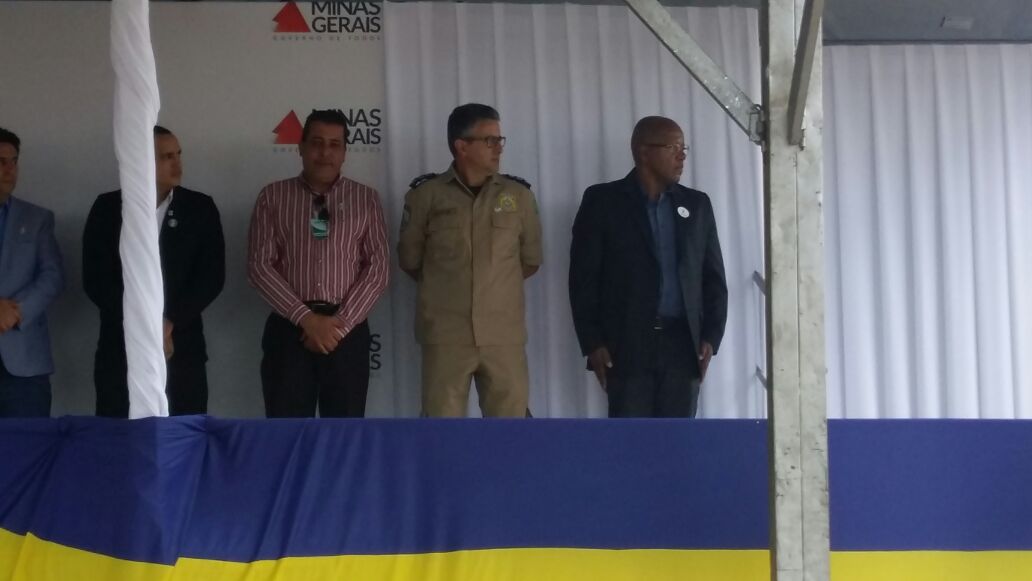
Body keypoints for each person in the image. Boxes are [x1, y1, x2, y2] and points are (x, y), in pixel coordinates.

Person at [569, 116, 727, 418]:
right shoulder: (603, 202)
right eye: (673, 148)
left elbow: (713, 277)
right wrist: (592, 342)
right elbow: (583, 279)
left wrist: (711, 337)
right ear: (643, 152)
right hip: (626, 345)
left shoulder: (697, 205)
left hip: (683, 345)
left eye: (684, 149)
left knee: (678, 438)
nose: (682, 157)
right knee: (630, 438)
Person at [398, 103, 542, 417]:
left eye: (500, 140)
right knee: (442, 429)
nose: (498, 148)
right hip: (446, 335)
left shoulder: (519, 196)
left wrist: (490, 287)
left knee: (510, 430)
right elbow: (410, 260)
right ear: (461, 146)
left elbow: (530, 260)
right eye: (490, 140)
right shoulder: (425, 196)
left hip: (502, 335)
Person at [248, 109, 389, 418]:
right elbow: (259, 266)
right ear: (300, 147)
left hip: (347, 333)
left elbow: (377, 269)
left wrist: (339, 326)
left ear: (345, 152)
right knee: (287, 432)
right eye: (317, 143)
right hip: (289, 330)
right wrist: (307, 319)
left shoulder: (366, 199)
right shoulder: (272, 197)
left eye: (335, 144)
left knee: (344, 433)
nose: (325, 153)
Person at [83, 126, 225, 417]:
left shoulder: (200, 208)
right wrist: (143, 324)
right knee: (118, 434)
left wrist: (168, 322)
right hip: (120, 347)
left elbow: (210, 278)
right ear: (140, 160)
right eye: (166, 157)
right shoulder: (107, 208)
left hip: (180, 347)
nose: (177, 163)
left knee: (183, 435)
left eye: (178, 154)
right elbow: (96, 279)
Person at [0, 127, 64, 418]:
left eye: (14, 161)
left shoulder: (37, 218)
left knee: (29, 441)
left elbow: (52, 276)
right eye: (1, 162)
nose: (9, 169)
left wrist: (17, 312)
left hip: (24, 358)